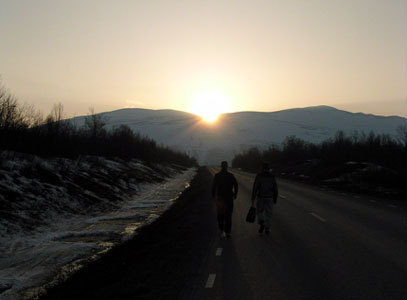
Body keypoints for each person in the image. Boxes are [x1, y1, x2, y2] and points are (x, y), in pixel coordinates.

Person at [212, 161, 238, 238]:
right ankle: (228, 232)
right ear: (227, 167)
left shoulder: (217, 176)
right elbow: (236, 186)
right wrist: (235, 194)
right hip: (229, 198)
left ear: (221, 166)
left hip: (220, 198)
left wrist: (213, 196)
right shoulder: (231, 176)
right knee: (228, 215)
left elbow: (213, 187)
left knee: (220, 215)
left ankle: (221, 229)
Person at [251, 162, 278, 235]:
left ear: (262, 168)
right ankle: (267, 229)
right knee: (269, 213)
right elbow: (275, 188)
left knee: (259, 211)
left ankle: (261, 221)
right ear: (268, 168)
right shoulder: (272, 176)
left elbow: (255, 187)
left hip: (261, 197)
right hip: (270, 197)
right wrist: (275, 198)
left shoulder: (259, 175)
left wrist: (253, 198)